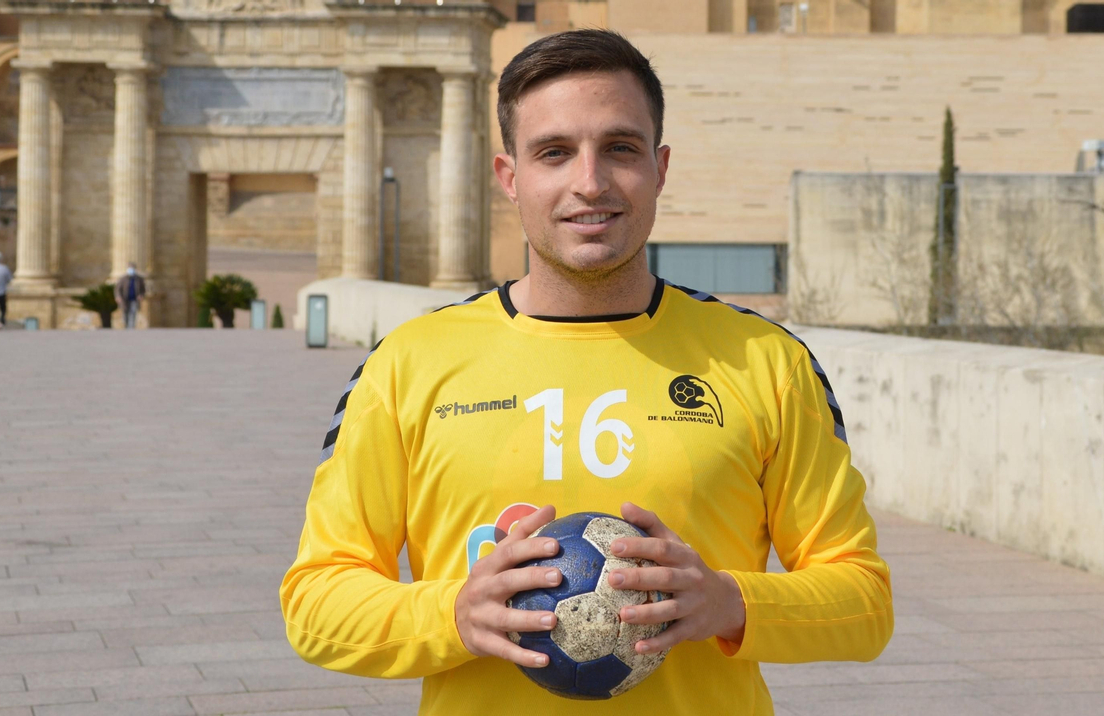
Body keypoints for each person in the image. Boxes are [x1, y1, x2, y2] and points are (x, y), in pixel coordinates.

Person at [280, 30, 892, 714]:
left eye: (620, 149)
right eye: (554, 153)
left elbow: (864, 600)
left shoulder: (765, 361)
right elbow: (315, 604)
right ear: (510, 177)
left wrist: (729, 600)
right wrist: (455, 614)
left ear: (659, 168)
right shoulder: (406, 365)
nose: (590, 182)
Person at [114, 263, 145, 329]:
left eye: (132, 268)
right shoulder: (123, 279)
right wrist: (118, 296)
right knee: (125, 312)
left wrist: (141, 295)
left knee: (133, 312)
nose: (131, 270)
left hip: (134, 299)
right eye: (130, 268)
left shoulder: (139, 279)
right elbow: (118, 289)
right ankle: (126, 325)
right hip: (124, 299)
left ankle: (131, 327)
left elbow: (143, 289)